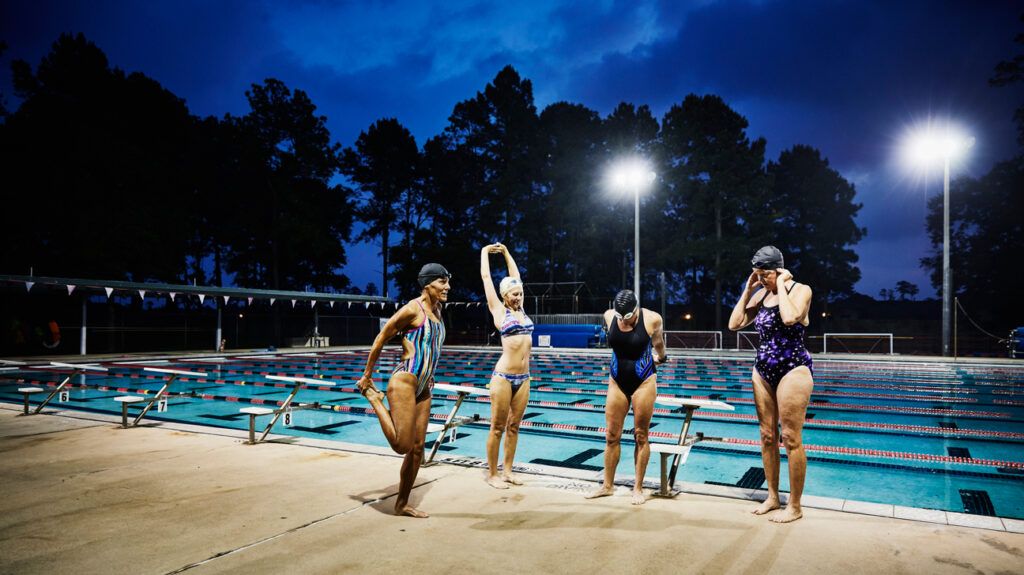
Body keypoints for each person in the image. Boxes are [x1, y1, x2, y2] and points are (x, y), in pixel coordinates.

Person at [728, 245, 814, 523]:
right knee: (767, 436)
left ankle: (795, 506)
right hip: (762, 368)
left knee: (790, 438)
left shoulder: (801, 290)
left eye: (764, 274)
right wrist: (747, 289)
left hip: (793, 368)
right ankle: (773, 497)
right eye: (757, 275)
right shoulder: (760, 293)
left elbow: (790, 318)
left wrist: (780, 285)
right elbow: (734, 324)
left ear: (778, 270)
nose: (761, 279)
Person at [357, 263, 451, 518]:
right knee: (402, 445)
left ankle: (401, 504)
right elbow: (381, 338)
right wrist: (367, 375)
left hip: (424, 385)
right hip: (405, 380)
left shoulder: (439, 310)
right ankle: (374, 399)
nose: (447, 287)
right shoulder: (412, 309)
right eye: (442, 282)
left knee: (418, 449)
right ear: (428, 284)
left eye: (447, 282)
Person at [585, 289, 666, 505]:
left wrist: (662, 357)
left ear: (636, 309)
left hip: (644, 381)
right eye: (621, 317)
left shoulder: (652, 319)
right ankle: (607, 486)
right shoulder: (609, 315)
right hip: (616, 380)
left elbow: (658, 343)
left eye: (628, 317)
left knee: (641, 435)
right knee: (611, 435)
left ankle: (638, 488)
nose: (624, 320)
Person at [480, 243, 533, 489]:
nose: (518, 296)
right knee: (498, 427)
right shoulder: (499, 311)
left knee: (514, 426)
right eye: (514, 294)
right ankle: (492, 474)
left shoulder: (522, 310)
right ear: (504, 296)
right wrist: (485, 252)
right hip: (503, 377)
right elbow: (486, 277)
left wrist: (506, 252)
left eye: (520, 293)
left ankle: (508, 471)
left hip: (524, 379)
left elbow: (516, 277)